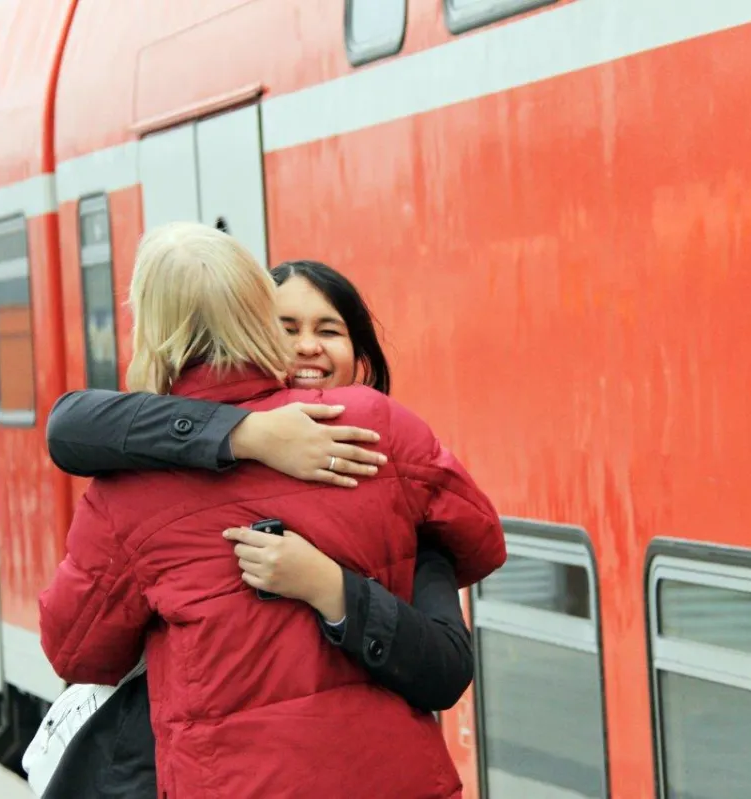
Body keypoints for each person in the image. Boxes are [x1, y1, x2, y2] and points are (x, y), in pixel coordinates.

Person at [38, 223, 505, 799]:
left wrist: (328, 585)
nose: (308, 346)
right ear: (257, 312)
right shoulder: (377, 427)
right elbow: (482, 540)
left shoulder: (125, 488)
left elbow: (76, 651)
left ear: (154, 332)